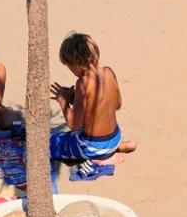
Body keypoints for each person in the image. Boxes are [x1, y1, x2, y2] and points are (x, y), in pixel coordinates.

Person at [49, 32, 136, 162]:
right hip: (115, 137)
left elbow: (74, 125)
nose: (70, 71)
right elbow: (117, 105)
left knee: (51, 142)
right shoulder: (108, 71)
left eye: (69, 67)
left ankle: (103, 156)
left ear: (76, 63)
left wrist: (63, 102)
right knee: (105, 143)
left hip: (93, 146)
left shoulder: (82, 83)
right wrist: (74, 98)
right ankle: (119, 146)